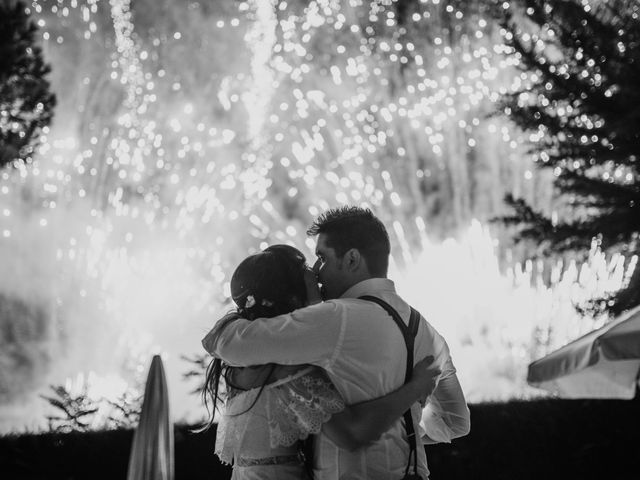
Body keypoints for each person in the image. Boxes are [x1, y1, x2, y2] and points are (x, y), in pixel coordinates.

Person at [204, 207, 471, 479]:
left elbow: (228, 343)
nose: (317, 270)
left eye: (322, 257)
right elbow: (456, 422)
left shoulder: (330, 318)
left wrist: (232, 319)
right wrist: (405, 427)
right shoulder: (428, 331)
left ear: (352, 259)